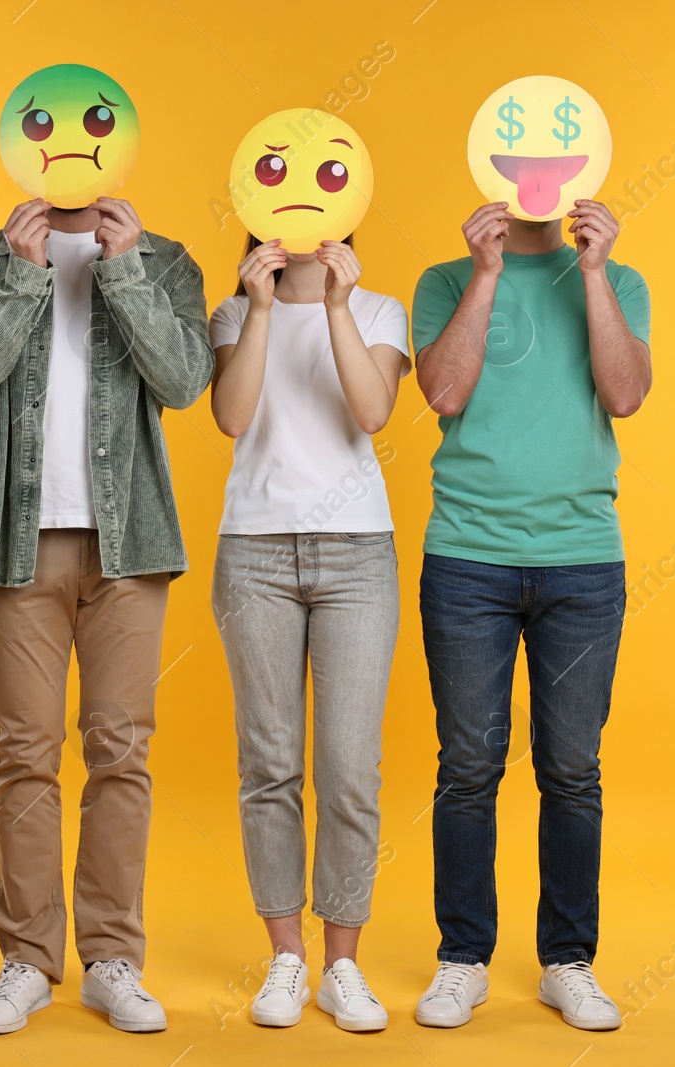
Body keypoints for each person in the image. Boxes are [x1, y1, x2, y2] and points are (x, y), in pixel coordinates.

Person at [0, 193, 214, 1035]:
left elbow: (186, 381)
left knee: (121, 750)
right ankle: (25, 959)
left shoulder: (164, 261)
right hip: (18, 544)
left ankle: (112, 958)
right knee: (25, 753)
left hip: (130, 546)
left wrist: (124, 273)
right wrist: (20, 278)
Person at [409, 198, 652, 1031]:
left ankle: (567, 961)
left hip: (582, 560)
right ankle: (462, 958)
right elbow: (442, 391)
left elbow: (625, 395)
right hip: (468, 557)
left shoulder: (618, 280)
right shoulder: (444, 280)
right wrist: (486, 275)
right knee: (469, 764)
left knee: (572, 768)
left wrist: (591, 273)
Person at [207, 233, 409, 1032]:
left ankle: (343, 964)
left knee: (351, 766)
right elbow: (230, 416)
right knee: (270, 762)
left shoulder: (377, 307)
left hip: (358, 552)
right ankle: (286, 956)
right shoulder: (231, 311)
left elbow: (373, 411)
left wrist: (333, 304)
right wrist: (259, 309)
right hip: (254, 552)